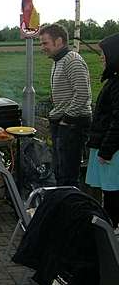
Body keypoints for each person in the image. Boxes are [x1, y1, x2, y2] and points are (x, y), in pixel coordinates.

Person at [39, 23, 92, 187]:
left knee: (68, 173)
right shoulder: (58, 61)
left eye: (45, 43)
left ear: (59, 41)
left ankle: (70, 208)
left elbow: (82, 93)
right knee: (60, 170)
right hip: (63, 123)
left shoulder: (72, 60)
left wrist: (67, 119)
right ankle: (63, 205)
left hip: (72, 125)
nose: (42, 47)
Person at [85, 33, 119, 231]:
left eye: (104, 54)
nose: (101, 58)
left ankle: (112, 233)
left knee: (113, 192)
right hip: (108, 148)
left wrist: (106, 150)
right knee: (110, 192)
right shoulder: (114, 80)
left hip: (112, 151)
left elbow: (118, 120)